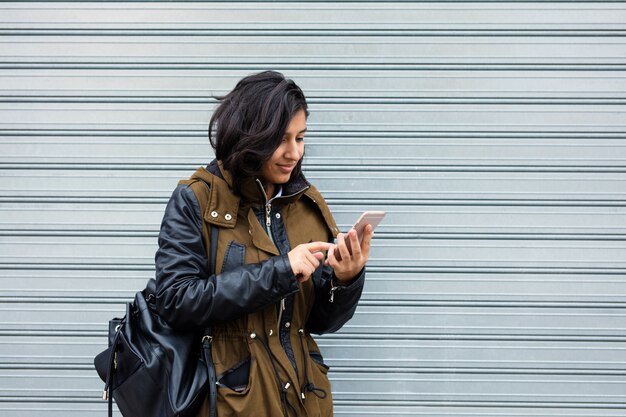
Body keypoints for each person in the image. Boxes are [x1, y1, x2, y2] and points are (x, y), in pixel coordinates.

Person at [154, 70, 373, 417]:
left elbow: (318, 322)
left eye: (301, 138)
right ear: (249, 136)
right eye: (281, 140)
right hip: (232, 403)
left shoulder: (307, 204)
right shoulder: (195, 199)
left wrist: (344, 280)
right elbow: (176, 300)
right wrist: (281, 271)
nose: (294, 153)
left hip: (305, 401)